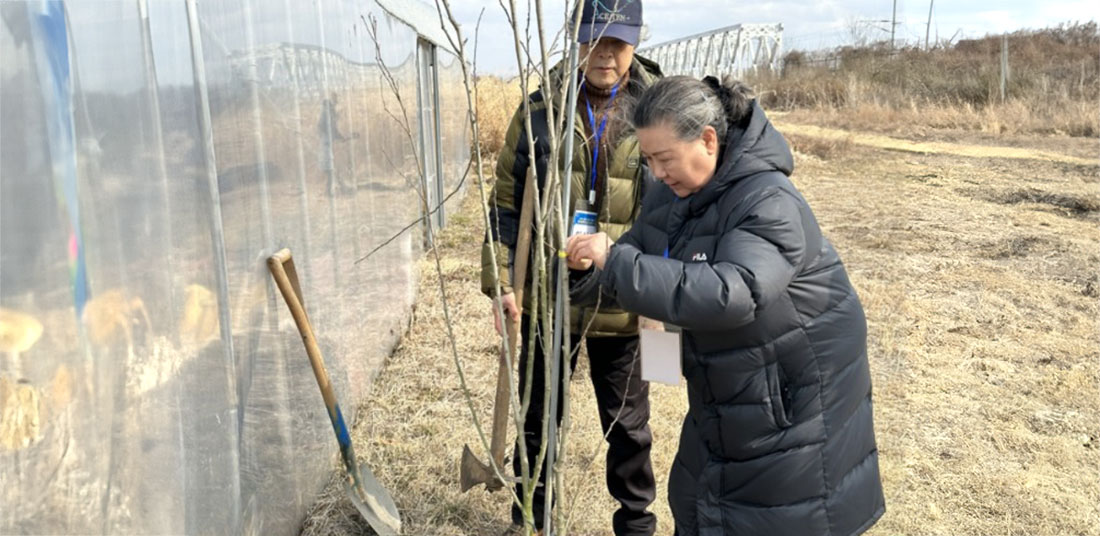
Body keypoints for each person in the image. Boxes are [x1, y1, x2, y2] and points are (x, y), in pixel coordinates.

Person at [566, 75, 886, 536]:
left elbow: (734, 292)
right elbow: (634, 262)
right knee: (701, 503)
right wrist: (587, 271)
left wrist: (615, 262)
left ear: (708, 140)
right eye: (648, 159)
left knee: (772, 515)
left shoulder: (767, 199)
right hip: (727, 389)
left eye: (665, 158)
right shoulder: (670, 195)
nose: (656, 172)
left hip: (790, 400)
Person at [479, 2, 663, 535]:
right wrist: (501, 285)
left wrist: (658, 292)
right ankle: (531, 518)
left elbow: (676, 207)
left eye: (618, 42)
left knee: (628, 427)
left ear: (635, 41)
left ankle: (635, 525)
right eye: (594, 39)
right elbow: (508, 202)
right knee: (538, 416)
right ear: (576, 37)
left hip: (625, 296)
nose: (605, 54)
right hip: (547, 296)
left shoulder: (658, 110)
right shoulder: (541, 109)